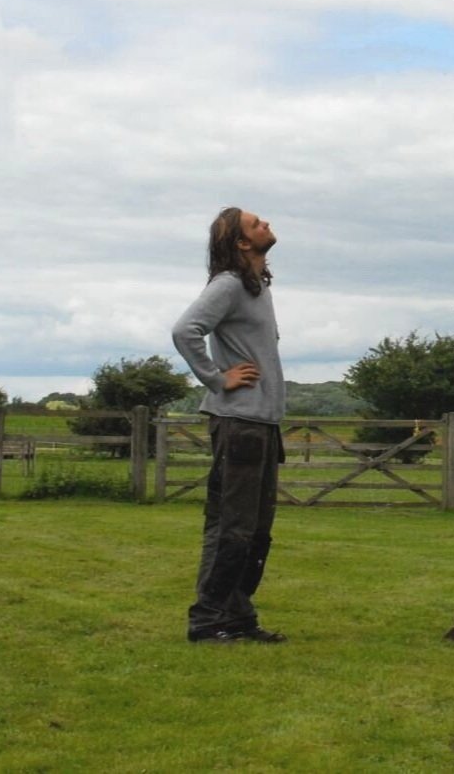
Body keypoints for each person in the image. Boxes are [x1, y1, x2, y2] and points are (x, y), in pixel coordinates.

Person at [172, 207, 288, 644]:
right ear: (242, 244)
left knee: (256, 531)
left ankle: (238, 616)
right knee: (231, 528)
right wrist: (218, 379)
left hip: (262, 424)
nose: (266, 224)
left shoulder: (257, 287)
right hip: (238, 423)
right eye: (256, 224)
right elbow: (186, 330)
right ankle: (208, 619)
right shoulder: (229, 285)